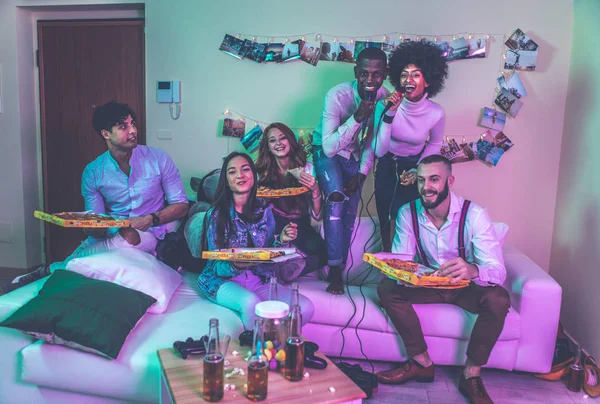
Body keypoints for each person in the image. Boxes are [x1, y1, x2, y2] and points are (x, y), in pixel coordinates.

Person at [3, 101, 189, 293]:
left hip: (152, 230)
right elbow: (97, 222)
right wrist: (89, 227)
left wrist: (150, 219)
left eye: (133, 123)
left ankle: (52, 269)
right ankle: (60, 271)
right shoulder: (93, 172)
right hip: (114, 230)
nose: (133, 130)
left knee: (129, 236)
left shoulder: (159, 158)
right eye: (123, 126)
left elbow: (182, 205)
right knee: (105, 241)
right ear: (106, 134)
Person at [376, 155, 510, 404]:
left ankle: (471, 375)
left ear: (450, 181)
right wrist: (398, 270)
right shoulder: (408, 213)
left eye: (434, 179)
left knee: (499, 298)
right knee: (387, 288)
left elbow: (497, 270)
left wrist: (473, 270)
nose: (426, 187)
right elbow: (401, 259)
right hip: (430, 285)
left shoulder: (475, 214)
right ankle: (421, 362)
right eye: (421, 180)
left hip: (466, 287)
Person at [197, 152, 315, 329]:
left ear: (253, 175)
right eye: (232, 172)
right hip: (222, 282)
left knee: (304, 307)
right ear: (226, 180)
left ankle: (278, 347)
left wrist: (282, 240)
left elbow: (268, 255)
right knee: (250, 302)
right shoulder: (215, 215)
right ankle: (258, 352)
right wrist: (236, 265)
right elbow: (216, 266)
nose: (240, 175)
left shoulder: (264, 210)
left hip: (258, 279)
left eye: (245, 169)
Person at [312, 47, 389, 295]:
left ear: (384, 74)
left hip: (356, 157)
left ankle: (339, 266)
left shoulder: (385, 98)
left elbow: (372, 144)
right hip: (327, 151)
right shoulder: (337, 95)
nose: (370, 80)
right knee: (335, 199)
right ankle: (334, 273)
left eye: (377, 74)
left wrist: (362, 175)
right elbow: (330, 147)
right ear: (356, 72)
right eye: (364, 73)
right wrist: (356, 118)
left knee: (349, 212)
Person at [372, 40, 449, 252]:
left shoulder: (436, 112)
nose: (408, 79)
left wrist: (419, 170)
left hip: (415, 167)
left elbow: (434, 143)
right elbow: (379, 150)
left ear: (428, 80)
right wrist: (389, 114)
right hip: (388, 163)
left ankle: (408, 265)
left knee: (408, 219)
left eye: (415, 74)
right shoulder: (385, 105)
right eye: (404, 74)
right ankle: (387, 268)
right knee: (386, 218)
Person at [256, 122, 327, 276]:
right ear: (267, 146)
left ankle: (293, 268)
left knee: (327, 252)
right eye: (272, 140)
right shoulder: (261, 172)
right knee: (259, 251)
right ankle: (270, 270)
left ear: (290, 140)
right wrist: (259, 195)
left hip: (300, 223)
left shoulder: (307, 168)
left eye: (282, 138)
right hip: (273, 222)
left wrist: (315, 190)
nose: (278, 143)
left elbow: (317, 216)